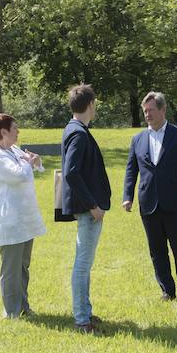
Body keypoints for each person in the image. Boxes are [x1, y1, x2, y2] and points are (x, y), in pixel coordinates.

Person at [122, 92, 177, 301]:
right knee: (157, 251)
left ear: (163, 110)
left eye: (151, 110)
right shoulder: (137, 139)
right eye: (145, 111)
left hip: (176, 203)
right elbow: (131, 170)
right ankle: (167, 291)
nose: (147, 114)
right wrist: (127, 196)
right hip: (148, 204)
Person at [57, 83, 111, 333]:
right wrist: (92, 205)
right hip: (89, 209)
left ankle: (85, 312)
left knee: (84, 263)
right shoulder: (78, 133)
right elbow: (71, 173)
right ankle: (81, 319)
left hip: (88, 207)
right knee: (82, 265)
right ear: (90, 104)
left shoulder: (75, 129)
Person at [0, 113, 46, 318]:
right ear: (3, 132)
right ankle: (11, 311)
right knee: (11, 268)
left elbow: (31, 168)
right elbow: (19, 175)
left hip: (24, 218)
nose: (18, 132)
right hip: (9, 220)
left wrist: (35, 161)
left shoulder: (13, 149)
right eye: (14, 129)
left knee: (23, 266)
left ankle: (23, 307)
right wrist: (29, 163)